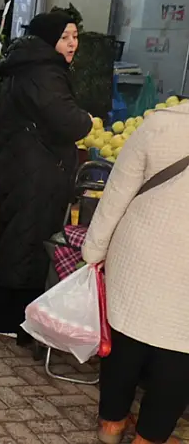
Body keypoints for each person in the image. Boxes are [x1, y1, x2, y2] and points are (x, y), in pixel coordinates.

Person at [0, 12, 91, 341]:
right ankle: (5, 319)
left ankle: (5, 317)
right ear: (48, 39)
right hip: (35, 171)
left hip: (26, 166)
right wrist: (87, 120)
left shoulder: (30, 65)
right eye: (65, 37)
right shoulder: (44, 72)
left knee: (18, 239)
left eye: (74, 37)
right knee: (25, 241)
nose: (72, 44)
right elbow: (67, 119)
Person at [82, 104, 189, 444]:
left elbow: (116, 194)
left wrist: (93, 251)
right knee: (179, 353)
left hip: (139, 251)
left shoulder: (160, 124)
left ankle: (111, 425)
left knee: (124, 338)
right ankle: (150, 437)